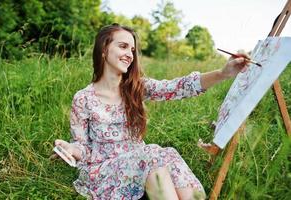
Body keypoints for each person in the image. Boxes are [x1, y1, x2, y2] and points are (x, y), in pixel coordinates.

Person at [54, 23, 249, 200]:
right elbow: (82, 147)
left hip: (141, 162)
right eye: (123, 46)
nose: (130, 54)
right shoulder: (83, 98)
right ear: (104, 49)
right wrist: (71, 150)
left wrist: (223, 74)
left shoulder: (136, 88)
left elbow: (178, 86)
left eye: (132, 49)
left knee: (167, 154)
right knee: (153, 153)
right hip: (104, 171)